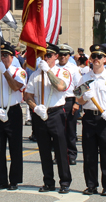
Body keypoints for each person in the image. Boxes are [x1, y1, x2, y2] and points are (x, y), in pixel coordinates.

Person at [76, 44, 106, 197]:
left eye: (99, 57)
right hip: (89, 117)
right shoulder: (84, 78)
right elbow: (78, 99)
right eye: (94, 57)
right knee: (89, 154)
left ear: (105, 59)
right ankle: (91, 185)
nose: (96, 59)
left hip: (105, 118)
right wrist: (84, 97)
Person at [25, 43, 72, 194]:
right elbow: (28, 95)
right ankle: (48, 182)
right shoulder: (35, 74)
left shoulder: (62, 72)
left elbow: (61, 87)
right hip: (40, 113)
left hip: (56, 113)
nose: (45, 58)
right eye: (43, 55)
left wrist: (49, 71)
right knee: (44, 150)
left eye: (49, 55)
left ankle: (64, 181)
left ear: (56, 57)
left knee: (60, 150)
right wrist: (35, 107)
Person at [0, 41, 27, 190]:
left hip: (13, 112)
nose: (4, 59)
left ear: (12, 56)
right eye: (1, 56)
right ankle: (1, 180)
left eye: (7, 55)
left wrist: (5, 72)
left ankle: (14, 180)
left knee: (15, 147)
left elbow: (16, 87)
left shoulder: (19, 72)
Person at [57, 44, 81, 165]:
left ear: (69, 56)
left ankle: (71, 154)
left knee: (70, 130)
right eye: (60, 54)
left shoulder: (73, 68)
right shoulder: (53, 67)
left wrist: (77, 103)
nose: (62, 57)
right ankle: (59, 155)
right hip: (56, 102)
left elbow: (80, 87)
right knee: (57, 130)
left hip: (70, 101)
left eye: (65, 55)